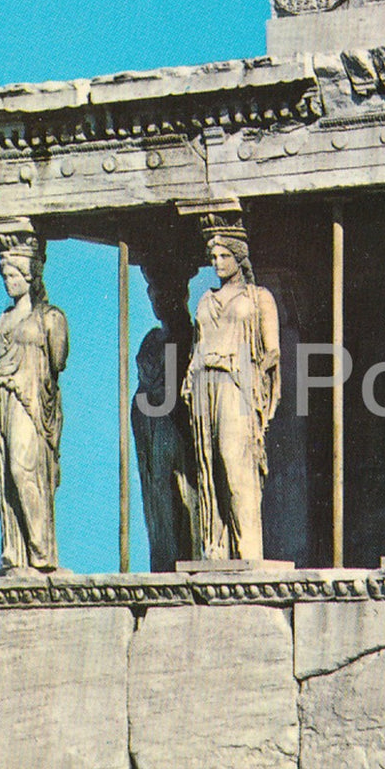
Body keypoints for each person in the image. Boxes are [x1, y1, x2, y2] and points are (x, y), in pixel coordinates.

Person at [183, 227, 280, 560]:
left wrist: (253, 378)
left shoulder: (259, 297)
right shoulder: (205, 299)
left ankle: (249, 548)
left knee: (233, 458)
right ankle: (216, 547)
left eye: (224, 256)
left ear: (239, 258)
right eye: (213, 257)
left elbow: (272, 350)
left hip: (237, 382)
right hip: (203, 382)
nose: (217, 262)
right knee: (208, 465)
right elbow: (197, 344)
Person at [0, 234, 69, 573]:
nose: (8, 282)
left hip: (30, 399)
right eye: (5, 276)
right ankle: (15, 550)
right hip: (0, 397)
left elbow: (58, 362)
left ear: (30, 275)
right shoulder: (3, 318)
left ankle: (41, 549)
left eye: (14, 275)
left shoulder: (50, 317)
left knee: (24, 469)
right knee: (7, 474)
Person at [132, 259, 200, 571]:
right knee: (159, 493)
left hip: (180, 424)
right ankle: (165, 556)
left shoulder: (192, 336)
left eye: (164, 295)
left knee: (183, 489)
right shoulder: (152, 340)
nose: (158, 302)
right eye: (153, 295)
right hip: (153, 426)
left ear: (181, 295)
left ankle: (187, 554)